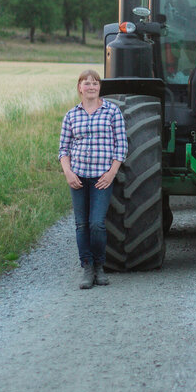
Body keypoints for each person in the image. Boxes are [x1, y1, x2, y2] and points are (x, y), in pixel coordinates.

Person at [58, 69, 128, 289]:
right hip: (78, 177)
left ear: (100, 87)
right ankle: (87, 268)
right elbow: (64, 148)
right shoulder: (71, 115)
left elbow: (121, 145)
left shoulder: (111, 112)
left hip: (101, 178)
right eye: (86, 83)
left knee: (97, 223)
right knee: (81, 225)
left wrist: (111, 173)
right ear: (79, 87)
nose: (91, 86)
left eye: (95, 83)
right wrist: (68, 172)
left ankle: (99, 265)